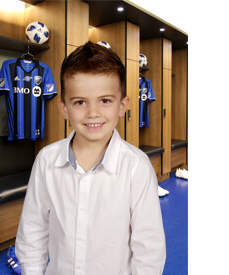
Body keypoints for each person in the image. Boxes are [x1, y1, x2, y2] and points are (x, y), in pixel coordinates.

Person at [15, 41, 166, 274]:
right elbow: (32, 233)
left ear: (122, 105)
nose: (93, 113)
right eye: (80, 102)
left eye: (105, 100)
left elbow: (149, 249)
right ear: (64, 108)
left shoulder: (136, 167)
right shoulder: (46, 161)